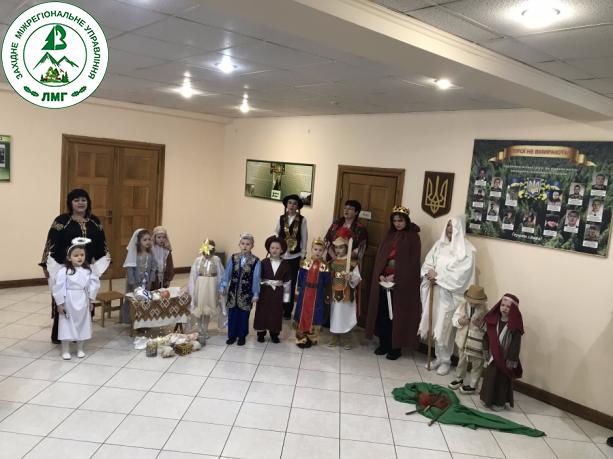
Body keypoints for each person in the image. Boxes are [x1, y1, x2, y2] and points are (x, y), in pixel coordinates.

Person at [39, 188, 109, 344]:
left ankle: (79, 335)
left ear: (88, 202)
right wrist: (46, 265)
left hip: (86, 268)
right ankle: (60, 335)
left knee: (84, 300)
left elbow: (101, 243)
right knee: (64, 300)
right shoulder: (61, 221)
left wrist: (102, 263)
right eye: (76, 200)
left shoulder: (95, 221)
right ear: (70, 203)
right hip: (64, 267)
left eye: (83, 200)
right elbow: (51, 243)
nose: (80, 203)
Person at [419, 216, 476, 375]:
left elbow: (461, 276)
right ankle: (438, 357)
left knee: (444, 328)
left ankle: (445, 360)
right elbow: (428, 262)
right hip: (435, 291)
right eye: (448, 225)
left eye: (453, 226)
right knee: (434, 324)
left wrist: (438, 277)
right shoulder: (440, 245)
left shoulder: (467, 251)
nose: (450, 228)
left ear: (460, 228)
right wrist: (429, 272)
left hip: (449, 295)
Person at [365, 206, 421, 360]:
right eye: (395, 221)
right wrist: (381, 275)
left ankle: (395, 348)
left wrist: (395, 277)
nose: (397, 223)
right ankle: (383, 344)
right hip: (383, 281)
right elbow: (381, 258)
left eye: (400, 221)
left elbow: (412, 263)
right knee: (383, 313)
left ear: (406, 221)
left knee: (396, 316)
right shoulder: (389, 235)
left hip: (401, 284)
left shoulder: (413, 237)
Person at [48, 239, 110, 359]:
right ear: (69, 258)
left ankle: (80, 348)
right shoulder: (64, 271)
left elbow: (93, 286)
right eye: (76, 255)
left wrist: (91, 300)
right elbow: (59, 287)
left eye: (82, 255)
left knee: (82, 324)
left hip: (82, 300)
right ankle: (65, 350)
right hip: (69, 300)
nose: (79, 257)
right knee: (66, 324)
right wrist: (60, 303)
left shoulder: (88, 271)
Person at [480, 294, 523, 411]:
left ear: (513, 310)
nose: (504, 308)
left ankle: (499, 402)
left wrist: (511, 359)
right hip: (493, 356)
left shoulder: (515, 326)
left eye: (508, 307)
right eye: (503, 305)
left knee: (501, 380)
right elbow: (486, 337)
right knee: (490, 378)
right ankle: (487, 399)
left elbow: (515, 345)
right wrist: (485, 349)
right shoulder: (493, 320)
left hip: (505, 358)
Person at [219, 233, 261, 346]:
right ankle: (232, 335)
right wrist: (223, 285)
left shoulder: (255, 261)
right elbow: (227, 273)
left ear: (252, 246)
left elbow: (256, 278)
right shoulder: (234, 258)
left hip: (246, 293)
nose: (245, 246)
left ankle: (242, 336)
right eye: (243, 243)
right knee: (232, 314)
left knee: (244, 315)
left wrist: (255, 293)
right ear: (239, 244)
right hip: (233, 292)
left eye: (248, 244)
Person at [449, 285, 488, 395]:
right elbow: (454, 320)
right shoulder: (462, 307)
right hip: (463, 340)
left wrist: (481, 325)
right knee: (461, 361)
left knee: (477, 364)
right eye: (471, 301)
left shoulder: (486, 311)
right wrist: (460, 322)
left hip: (477, 342)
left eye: (476, 302)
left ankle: (473, 385)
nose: (473, 303)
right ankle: (459, 379)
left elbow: (489, 327)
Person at [293, 237, 331, 348]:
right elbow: (300, 276)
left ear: (323, 251)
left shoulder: (325, 266)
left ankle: (312, 337)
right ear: (311, 249)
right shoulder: (305, 262)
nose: (317, 252)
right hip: (305, 292)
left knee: (316, 313)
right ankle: (301, 336)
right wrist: (299, 288)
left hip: (318, 294)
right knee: (303, 311)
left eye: (320, 250)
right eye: (315, 249)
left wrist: (326, 292)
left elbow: (327, 280)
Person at [327, 228, 362, 350]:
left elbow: (357, 278)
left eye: (341, 247)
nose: (338, 250)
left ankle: (347, 338)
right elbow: (329, 277)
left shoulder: (352, 263)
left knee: (345, 316)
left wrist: (351, 277)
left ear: (347, 247)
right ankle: (334, 337)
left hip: (346, 293)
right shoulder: (333, 262)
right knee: (335, 315)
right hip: (335, 292)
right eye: (336, 247)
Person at [275, 194, 308, 319]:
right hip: (281, 256)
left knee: (290, 283)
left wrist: (303, 255)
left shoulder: (302, 220)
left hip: (295, 257)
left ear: (298, 206)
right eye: (290, 203)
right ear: (286, 205)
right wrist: (276, 250)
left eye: (295, 203)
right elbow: (276, 233)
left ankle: (287, 310)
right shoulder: (281, 218)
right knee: (279, 282)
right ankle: (278, 307)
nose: (292, 205)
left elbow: (304, 238)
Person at [254, 236, 291, 343]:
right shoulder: (263, 262)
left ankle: (274, 333)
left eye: (277, 248)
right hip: (264, 291)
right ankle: (261, 333)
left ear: (282, 250)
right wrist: (256, 293)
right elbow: (257, 278)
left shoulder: (285, 265)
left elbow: (287, 282)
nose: (275, 250)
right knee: (262, 311)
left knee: (276, 312)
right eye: (272, 248)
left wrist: (286, 298)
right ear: (269, 249)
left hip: (277, 292)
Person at [188, 239, 225, 344]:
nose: (207, 255)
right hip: (200, 286)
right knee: (199, 308)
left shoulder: (216, 260)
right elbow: (193, 275)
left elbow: (220, 274)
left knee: (208, 308)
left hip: (212, 286)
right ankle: (200, 329)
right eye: (205, 252)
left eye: (210, 253)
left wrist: (221, 287)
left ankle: (205, 328)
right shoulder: (198, 260)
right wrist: (191, 289)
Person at [121, 228, 156, 323]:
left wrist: (151, 280)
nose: (147, 242)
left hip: (146, 283)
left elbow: (153, 267)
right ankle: (130, 319)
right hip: (135, 283)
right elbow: (130, 269)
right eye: (144, 240)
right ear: (138, 241)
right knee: (133, 300)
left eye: (149, 239)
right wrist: (133, 283)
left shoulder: (150, 253)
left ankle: (143, 318)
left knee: (145, 300)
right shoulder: (134, 254)